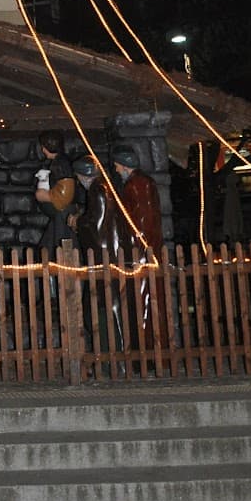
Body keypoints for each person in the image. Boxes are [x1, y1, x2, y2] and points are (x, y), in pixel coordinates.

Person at [68, 155, 127, 354]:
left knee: (101, 302)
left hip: (102, 252)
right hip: (112, 249)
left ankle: (109, 349)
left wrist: (79, 222)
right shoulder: (107, 186)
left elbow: (96, 222)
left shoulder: (97, 189)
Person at [111, 143, 167, 350]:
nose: (116, 170)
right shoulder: (140, 183)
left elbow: (143, 220)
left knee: (146, 300)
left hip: (143, 253)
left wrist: (137, 245)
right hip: (144, 251)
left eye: (118, 166)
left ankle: (148, 347)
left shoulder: (137, 185)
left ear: (125, 166)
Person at [34, 129, 76, 255]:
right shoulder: (59, 162)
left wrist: (45, 196)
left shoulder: (60, 164)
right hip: (60, 215)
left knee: (59, 247)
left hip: (62, 214)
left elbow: (65, 195)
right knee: (48, 247)